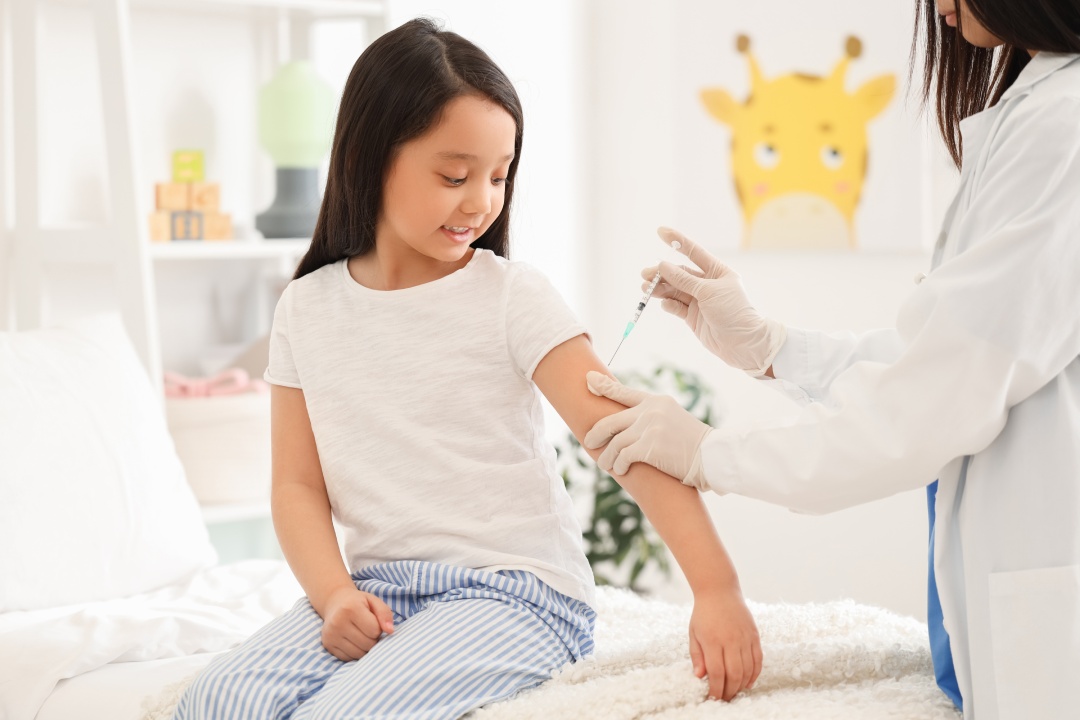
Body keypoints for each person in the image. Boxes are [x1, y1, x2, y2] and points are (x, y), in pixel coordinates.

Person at [174, 18, 761, 720]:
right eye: (455, 176)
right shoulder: (306, 308)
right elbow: (297, 485)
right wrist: (333, 594)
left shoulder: (512, 296)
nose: (482, 200)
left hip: (517, 594)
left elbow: (624, 441)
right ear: (370, 158)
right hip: (383, 588)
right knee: (216, 700)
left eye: (498, 176)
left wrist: (717, 589)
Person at [583, 1, 1080, 718]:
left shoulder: (1061, 128)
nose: (937, 6)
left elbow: (935, 400)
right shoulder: (1033, 111)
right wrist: (771, 347)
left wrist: (710, 455)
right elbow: (948, 352)